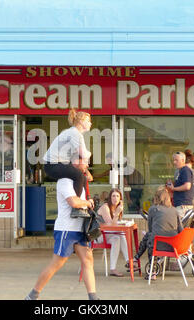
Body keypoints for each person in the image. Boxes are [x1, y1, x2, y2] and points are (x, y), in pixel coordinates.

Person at [25, 156, 99, 300]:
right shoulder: (65, 181)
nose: (88, 164)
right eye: (85, 161)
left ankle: (93, 298)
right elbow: (74, 202)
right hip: (67, 228)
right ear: (74, 163)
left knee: (88, 260)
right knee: (57, 263)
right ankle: (33, 294)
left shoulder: (80, 181)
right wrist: (88, 203)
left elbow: (87, 181)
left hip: (80, 228)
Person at [133, 186, 183, 280]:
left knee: (149, 237)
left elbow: (151, 228)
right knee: (150, 237)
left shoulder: (153, 209)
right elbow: (181, 229)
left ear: (156, 198)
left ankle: (150, 270)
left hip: (158, 245)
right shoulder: (175, 210)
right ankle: (136, 259)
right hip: (173, 246)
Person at [42, 108, 92, 198]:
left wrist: (86, 170)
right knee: (79, 176)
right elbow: (84, 154)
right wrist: (89, 154)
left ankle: (86, 200)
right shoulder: (75, 134)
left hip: (56, 163)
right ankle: (76, 208)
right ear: (81, 121)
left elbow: (78, 156)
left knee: (82, 177)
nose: (90, 123)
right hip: (53, 164)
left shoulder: (73, 132)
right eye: (88, 121)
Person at [95, 188, 132, 277]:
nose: (115, 198)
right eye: (113, 196)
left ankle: (114, 268)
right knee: (121, 235)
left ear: (120, 199)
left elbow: (114, 224)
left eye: (117, 196)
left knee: (117, 238)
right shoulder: (105, 207)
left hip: (108, 234)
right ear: (110, 198)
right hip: (98, 236)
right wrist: (117, 213)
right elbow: (110, 225)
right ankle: (129, 261)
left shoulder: (116, 208)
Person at [166, 151, 194, 223]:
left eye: (176, 160)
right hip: (181, 205)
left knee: (179, 230)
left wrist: (174, 188)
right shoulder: (180, 171)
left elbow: (187, 186)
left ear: (183, 160)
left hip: (183, 206)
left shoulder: (185, 170)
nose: (174, 162)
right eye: (174, 160)